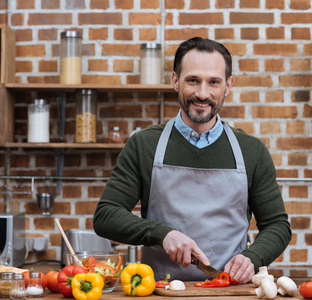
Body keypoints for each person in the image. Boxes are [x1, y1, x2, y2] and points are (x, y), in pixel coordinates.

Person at [93, 37, 291, 284]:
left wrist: (252, 257)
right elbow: (106, 216)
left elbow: (277, 225)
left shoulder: (251, 151)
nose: (202, 93)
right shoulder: (144, 145)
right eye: (193, 80)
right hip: (159, 290)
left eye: (214, 82)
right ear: (175, 81)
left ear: (228, 86)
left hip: (228, 290)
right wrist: (161, 234)